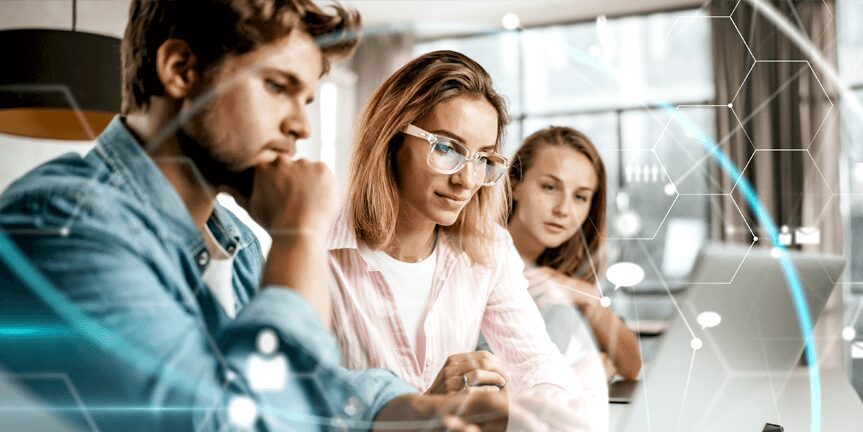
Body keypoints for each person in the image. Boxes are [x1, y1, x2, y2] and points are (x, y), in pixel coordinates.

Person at [0, 1, 549, 430]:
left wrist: (417, 414)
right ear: (180, 68)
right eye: (277, 87)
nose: (300, 128)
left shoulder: (232, 240)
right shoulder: (61, 221)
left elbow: (315, 392)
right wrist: (300, 236)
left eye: (306, 100)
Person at [326, 50, 602, 428]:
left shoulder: (487, 249)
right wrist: (421, 411)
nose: (467, 180)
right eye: (446, 148)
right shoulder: (318, 252)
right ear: (391, 139)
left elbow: (537, 361)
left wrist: (550, 412)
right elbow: (296, 413)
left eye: (482, 158)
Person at [507, 126, 642, 382]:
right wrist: (579, 376)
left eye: (580, 197)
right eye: (549, 187)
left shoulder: (562, 275)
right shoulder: (481, 263)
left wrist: (587, 297)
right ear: (515, 182)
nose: (563, 209)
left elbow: (631, 366)